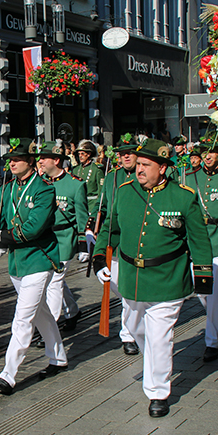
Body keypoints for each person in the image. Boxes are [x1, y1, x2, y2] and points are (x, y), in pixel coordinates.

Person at [92, 137, 213, 418]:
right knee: (135, 329)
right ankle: (155, 365)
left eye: (146, 165)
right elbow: (111, 228)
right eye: (139, 164)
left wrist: (203, 276)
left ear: (163, 167)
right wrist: (100, 257)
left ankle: (158, 392)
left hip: (168, 277)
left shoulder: (182, 196)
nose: (139, 169)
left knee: (159, 338)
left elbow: (198, 238)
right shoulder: (124, 192)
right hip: (132, 277)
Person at [0, 137, 68, 395]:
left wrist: (3, 237)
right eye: (9, 160)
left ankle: (8, 374)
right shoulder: (8, 188)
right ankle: (59, 357)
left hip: (39, 258)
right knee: (41, 312)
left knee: (23, 318)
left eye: (18, 160)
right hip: (17, 262)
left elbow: (33, 228)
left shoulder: (44, 189)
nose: (12, 164)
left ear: (31, 162)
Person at [87, 134, 141, 355]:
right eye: (122, 153)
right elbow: (103, 203)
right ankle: (136, 318)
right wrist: (91, 225)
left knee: (130, 291)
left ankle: (128, 335)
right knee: (119, 286)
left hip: (136, 239)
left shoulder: (143, 174)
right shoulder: (111, 177)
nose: (125, 156)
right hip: (112, 238)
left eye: (130, 152)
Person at [183, 140, 218, 362]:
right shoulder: (189, 177)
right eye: (204, 152)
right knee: (203, 291)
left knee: (216, 292)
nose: (207, 156)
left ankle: (212, 341)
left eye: (212, 152)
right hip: (197, 241)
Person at [37, 141, 88, 332]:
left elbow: (82, 217)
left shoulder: (75, 185)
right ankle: (72, 311)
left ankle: (50, 326)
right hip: (44, 239)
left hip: (64, 238)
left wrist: (83, 244)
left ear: (56, 160)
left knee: (54, 283)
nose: (40, 161)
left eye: (44, 158)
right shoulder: (39, 182)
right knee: (53, 280)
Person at [72, 139, 104, 213]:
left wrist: (97, 208)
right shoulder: (75, 169)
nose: (80, 156)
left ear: (89, 154)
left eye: (82, 154)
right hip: (78, 205)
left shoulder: (96, 169)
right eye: (79, 154)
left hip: (91, 205)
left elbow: (100, 191)